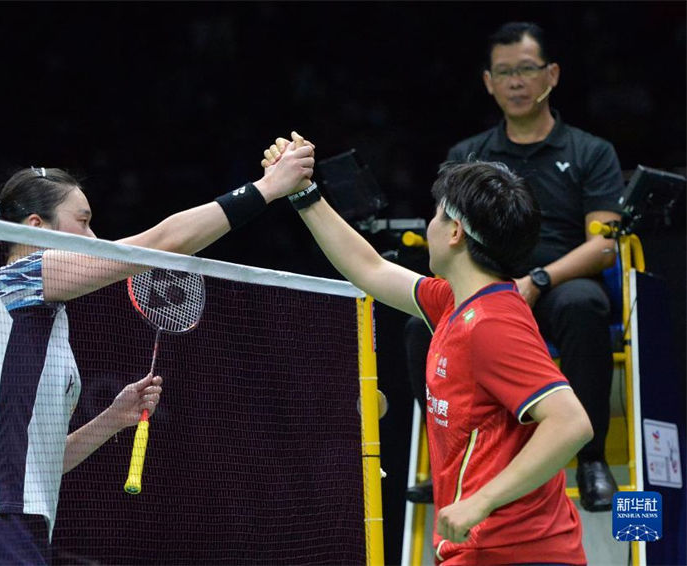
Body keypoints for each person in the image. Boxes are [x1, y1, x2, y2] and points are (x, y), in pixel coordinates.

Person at [0, 142, 315, 565]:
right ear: (37, 227)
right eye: (84, 222)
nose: (96, 238)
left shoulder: (40, 319)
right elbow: (161, 242)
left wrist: (113, 418)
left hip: (12, 526)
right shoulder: (16, 283)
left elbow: (40, 465)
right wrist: (266, 188)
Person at [265, 135, 593, 563]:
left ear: (456, 231)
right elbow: (371, 268)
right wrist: (304, 193)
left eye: (437, 214)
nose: (429, 224)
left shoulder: (493, 324)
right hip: (479, 550)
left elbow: (571, 423)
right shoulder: (455, 302)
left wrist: (482, 501)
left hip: (517, 552)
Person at [405, 21, 624, 513]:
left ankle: (590, 460)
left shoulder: (590, 152)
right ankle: (449, 459)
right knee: (418, 327)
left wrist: (539, 279)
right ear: (488, 82)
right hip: (483, 291)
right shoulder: (470, 155)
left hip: (558, 284)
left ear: (552, 74)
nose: (516, 82)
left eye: (527, 69)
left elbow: (605, 244)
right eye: (504, 73)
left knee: (586, 304)